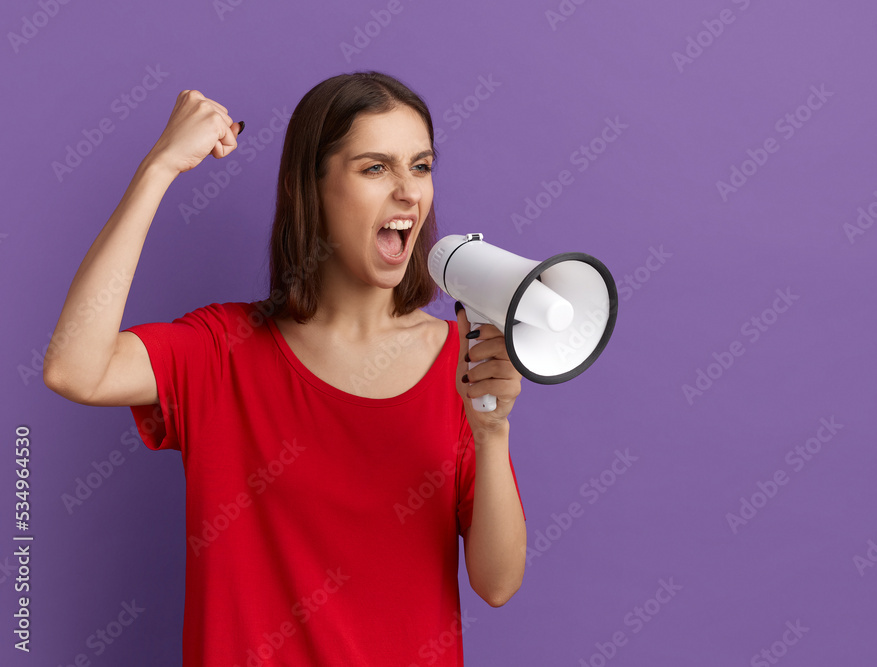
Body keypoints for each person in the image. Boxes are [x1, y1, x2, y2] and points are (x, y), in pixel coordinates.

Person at [43, 71, 528, 666]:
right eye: (375, 168)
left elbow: (498, 583)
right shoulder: (221, 351)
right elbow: (75, 368)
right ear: (312, 188)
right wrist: (159, 168)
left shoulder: (463, 362)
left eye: (421, 166)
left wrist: (491, 431)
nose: (409, 192)